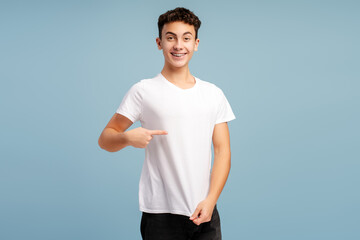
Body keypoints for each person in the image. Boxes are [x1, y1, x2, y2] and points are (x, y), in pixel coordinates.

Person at [98, 7, 236, 240]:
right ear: (159, 42)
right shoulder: (143, 91)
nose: (178, 45)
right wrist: (127, 138)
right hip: (160, 214)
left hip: (205, 211)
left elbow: (223, 152)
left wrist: (211, 201)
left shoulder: (213, 94)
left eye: (186, 38)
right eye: (170, 37)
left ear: (196, 44)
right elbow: (105, 139)